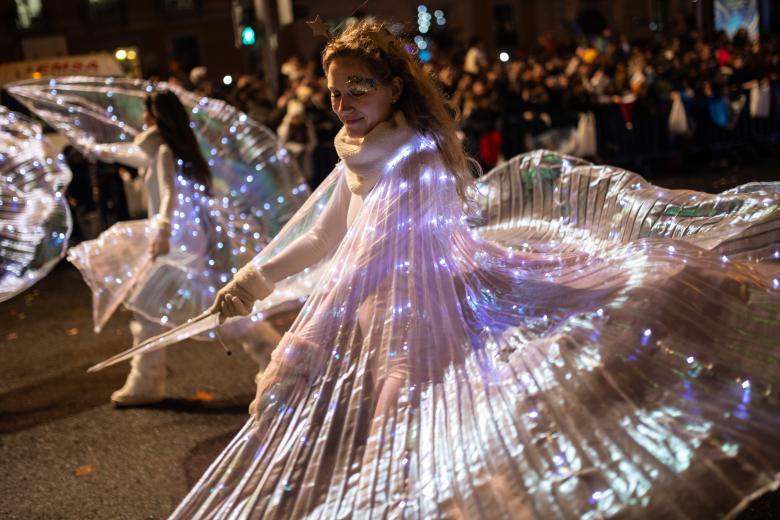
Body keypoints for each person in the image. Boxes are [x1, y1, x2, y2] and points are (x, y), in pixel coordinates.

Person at [171, 21, 780, 518]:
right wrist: (254, 279)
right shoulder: (360, 151)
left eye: (359, 86)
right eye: (335, 91)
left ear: (393, 89)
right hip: (375, 318)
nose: (344, 104)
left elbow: (365, 256)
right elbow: (329, 234)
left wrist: (301, 340)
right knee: (417, 455)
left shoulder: (411, 159)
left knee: (414, 447)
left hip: (417, 320)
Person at [79, 90, 281, 406]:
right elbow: (128, 155)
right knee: (181, 306)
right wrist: (92, 147)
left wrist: (160, 232)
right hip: (185, 238)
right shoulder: (172, 148)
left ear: (153, 116)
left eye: (145, 112)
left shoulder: (162, 152)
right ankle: (273, 356)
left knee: (159, 305)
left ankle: (148, 382)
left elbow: (169, 194)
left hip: (176, 242)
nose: (141, 118)